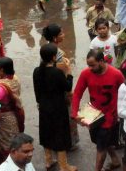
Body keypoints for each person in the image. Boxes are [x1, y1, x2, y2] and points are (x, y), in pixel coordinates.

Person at [72, 48, 125, 171]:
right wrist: (75, 113)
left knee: (100, 148)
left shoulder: (116, 74)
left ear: (101, 61)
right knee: (100, 141)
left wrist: (121, 113)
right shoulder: (86, 73)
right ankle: (116, 161)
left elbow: (125, 93)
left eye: (92, 65)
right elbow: (77, 94)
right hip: (93, 116)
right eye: (88, 65)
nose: (90, 68)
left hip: (110, 118)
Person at [33, 43, 76, 171]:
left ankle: (48, 160)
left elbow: (37, 91)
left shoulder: (37, 71)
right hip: (58, 108)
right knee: (60, 135)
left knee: (46, 133)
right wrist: (68, 72)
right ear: (53, 57)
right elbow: (67, 87)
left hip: (44, 107)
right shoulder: (57, 73)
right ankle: (64, 166)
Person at [0, 57, 26, 169]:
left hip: (3, 120)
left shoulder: (1, 88)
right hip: (13, 116)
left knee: (3, 145)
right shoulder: (14, 78)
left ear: (2, 70)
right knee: (13, 142)